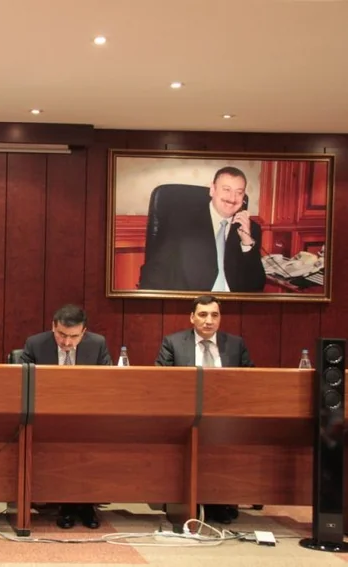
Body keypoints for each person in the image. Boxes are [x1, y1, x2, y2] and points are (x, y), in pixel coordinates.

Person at [155, 294, 254, 524]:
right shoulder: (173, 343)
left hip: (226, 415)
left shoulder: (235, 344)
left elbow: (250, 379)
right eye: (203, 314)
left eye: (214, 315)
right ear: (192, 317)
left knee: (222, 447)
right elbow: (161, 380)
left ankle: (218, 502)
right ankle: (187, 502)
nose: (209, 321)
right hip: (183, 415)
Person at [20, 304, 112, 530]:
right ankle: (66, 504)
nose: (67, 342)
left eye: (74, 336)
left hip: (87, 415)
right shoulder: (35, 344)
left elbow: (108, 382)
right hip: (46, 415)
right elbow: (22, 383)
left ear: (84, 332)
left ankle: (85, 503)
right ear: (53, 327)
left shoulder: (97, 344)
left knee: (92, 441)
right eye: (62, 334)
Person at [138, 166, 266, 292]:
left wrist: (247, 244)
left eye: (239, 192)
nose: (232, 198)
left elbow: (257, 285)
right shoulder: (182, 222)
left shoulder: (250, 229)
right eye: (226, 189)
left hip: (233, 303)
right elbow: (156, 268)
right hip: (193, 301)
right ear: (212, 190)